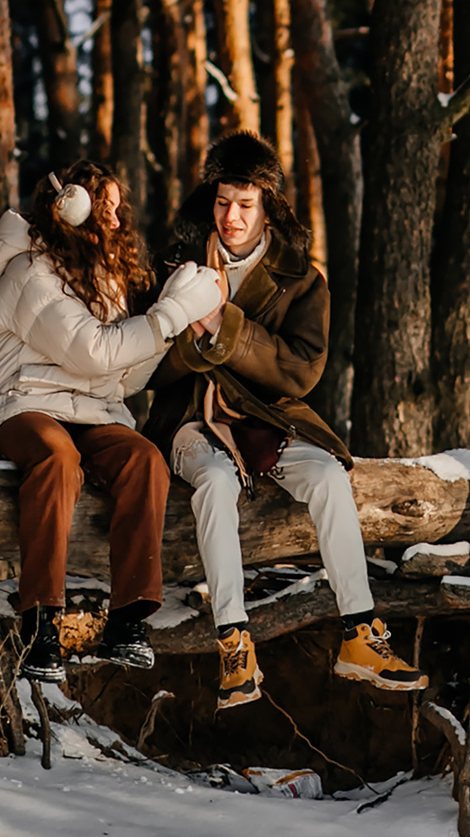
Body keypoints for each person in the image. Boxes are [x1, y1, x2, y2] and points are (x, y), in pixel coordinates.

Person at [147, 132, 428, 710]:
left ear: (268, 206)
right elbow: (147, 364)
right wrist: (193, 330)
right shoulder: (175, 262)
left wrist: (218, 324)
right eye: (223, 201)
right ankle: (233, 641)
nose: (231, 216)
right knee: (216, 483)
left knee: (327, 476)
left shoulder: (303, 278)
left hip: (269, 418)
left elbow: (299, 372)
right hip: (187, 422)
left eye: (245, 205)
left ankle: (360, 634)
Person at [0, 162, 226, 680]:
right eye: (103, 207)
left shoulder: (105, 281)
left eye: (118, 208)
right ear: (69, 209)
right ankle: (41, 622)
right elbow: (94, 352)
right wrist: (169, 316)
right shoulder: (32, 272)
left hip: (94, 412)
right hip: (25, 405)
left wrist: (170, 311)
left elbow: (124, 377)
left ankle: (128, 619)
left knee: (145, 461)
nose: (114, 220)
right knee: (55, 457)